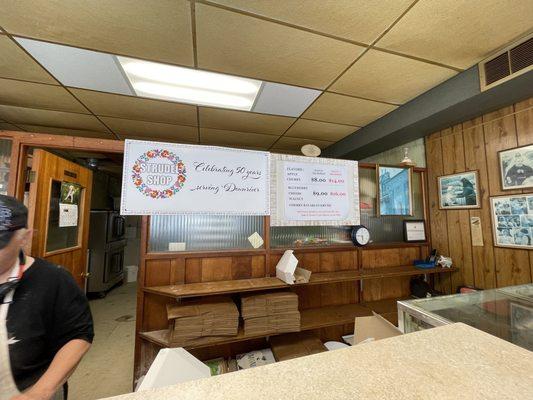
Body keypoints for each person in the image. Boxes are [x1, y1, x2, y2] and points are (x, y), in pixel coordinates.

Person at [0, 195, 93, 400]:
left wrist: (41, 391)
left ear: (25, 237)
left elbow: (78, 334)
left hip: (30, 390)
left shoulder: (52, 279)